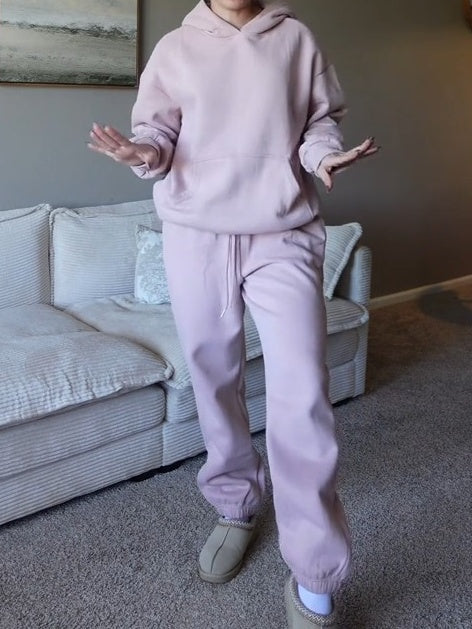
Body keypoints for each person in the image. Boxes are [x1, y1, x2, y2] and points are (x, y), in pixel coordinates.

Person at [88, 1, 378, 626]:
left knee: (303, 393)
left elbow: (319, 122)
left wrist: (321, 157)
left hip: (284, 234)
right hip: (196, 237)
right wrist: (140, 152)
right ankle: (235, 503)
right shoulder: (175, 48)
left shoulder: (296, 39)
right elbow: (160, 138)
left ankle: (316, 578)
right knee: (214, 377)